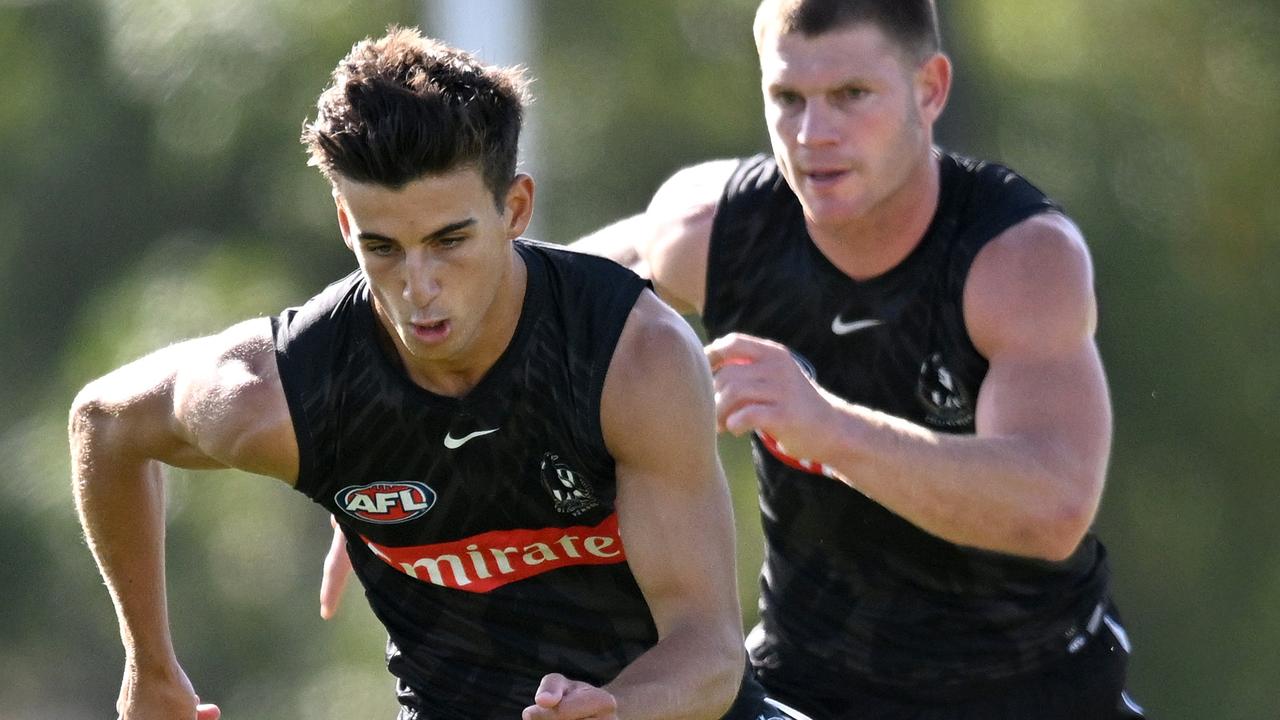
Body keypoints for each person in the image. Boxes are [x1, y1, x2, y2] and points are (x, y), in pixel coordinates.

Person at [321, 2, 1146, 718]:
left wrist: (827, 426)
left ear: (929, 89)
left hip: (1034, 687)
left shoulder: (1016, 257)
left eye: (851, 96)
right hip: (808, 685)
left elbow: (1052, 507)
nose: (813, 133)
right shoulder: (714, 227)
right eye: (787, 97)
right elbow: (508, 308)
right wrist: (400, 428)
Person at [70, 27, 811, 720]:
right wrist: (151, 668)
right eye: (383, 247)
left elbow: (707, 652)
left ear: (515, 207)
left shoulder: (631, 357)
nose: (417, 286)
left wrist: (614, 712)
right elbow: (103, 424)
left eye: (450, 240)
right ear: (343, 225)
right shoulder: (278, 395)